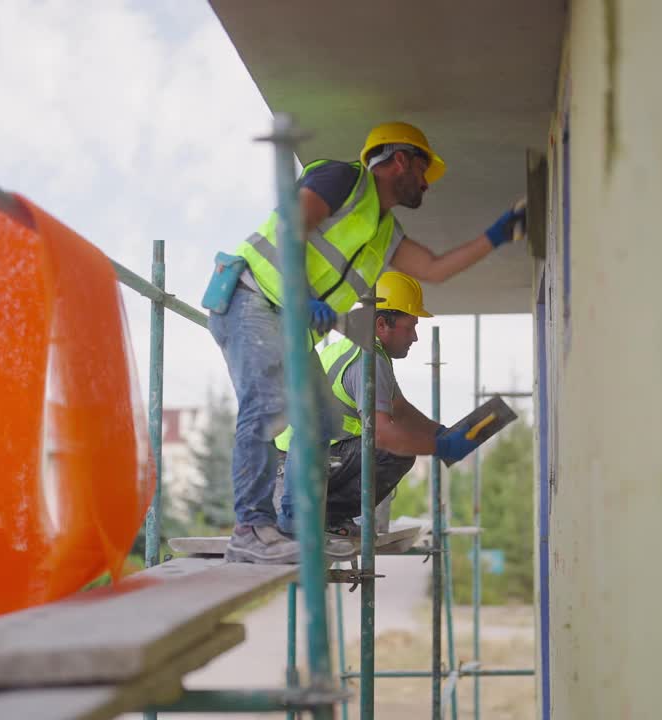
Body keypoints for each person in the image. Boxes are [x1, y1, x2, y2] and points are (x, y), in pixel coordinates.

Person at [203, 121, 525, 564]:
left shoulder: (383, 231)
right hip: (251, 298)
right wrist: (305, 297)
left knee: (316, 419)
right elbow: (292, 227)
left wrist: (496, 236)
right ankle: (250, 529)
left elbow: (434, 269)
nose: (428, 186)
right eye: (425, 172)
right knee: (268, 406)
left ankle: (297, 528)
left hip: (286, 320)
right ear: (400, 161)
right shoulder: (343, 180)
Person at [272, 272, 475, 539]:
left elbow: (399, 408)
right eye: (410, 327)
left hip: (294, 465)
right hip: (297, 469)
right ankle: (325, 516)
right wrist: (443, 446)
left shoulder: (359, 348)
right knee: (396, 451)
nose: (414, 337)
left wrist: (443, 433)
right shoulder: (368, 360)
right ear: (381, 324)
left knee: (396, 444)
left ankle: (322, 514)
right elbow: (382, 435)